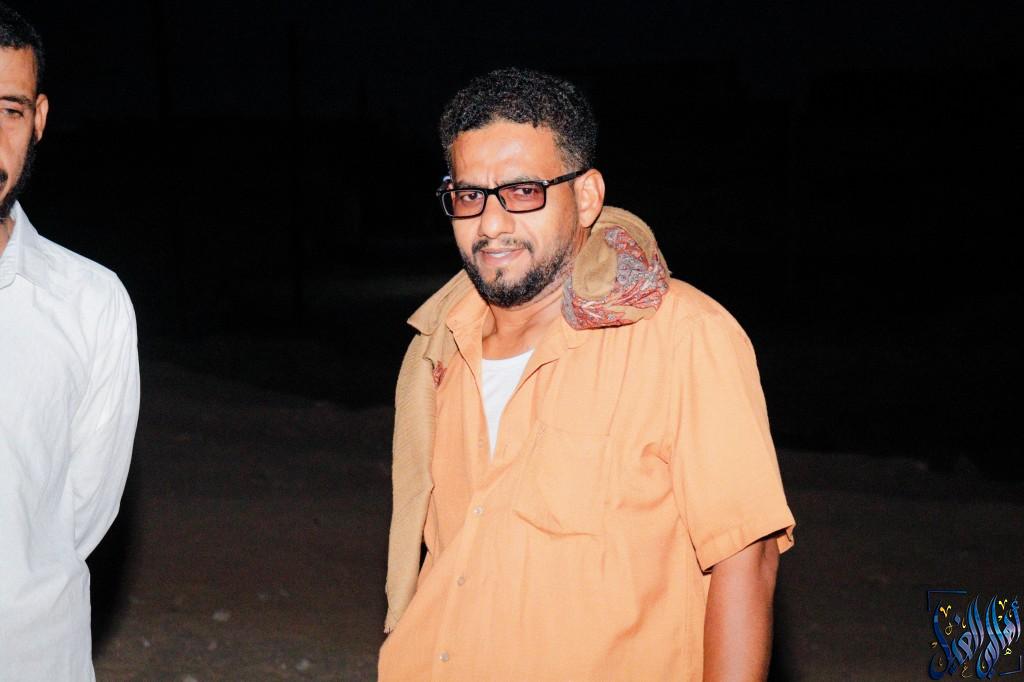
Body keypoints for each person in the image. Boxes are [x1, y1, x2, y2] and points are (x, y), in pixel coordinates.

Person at [380, 67, 796, 681]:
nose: (490, 224)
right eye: (470, 196)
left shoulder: (682, 336)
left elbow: (746, 556)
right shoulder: (437, 351)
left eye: (523, 191)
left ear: (586, 197)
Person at [0, 5, 140, 680]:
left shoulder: (92, 303)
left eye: (9, 109)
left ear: (40, 119)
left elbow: (81, 513)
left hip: (35, 656)